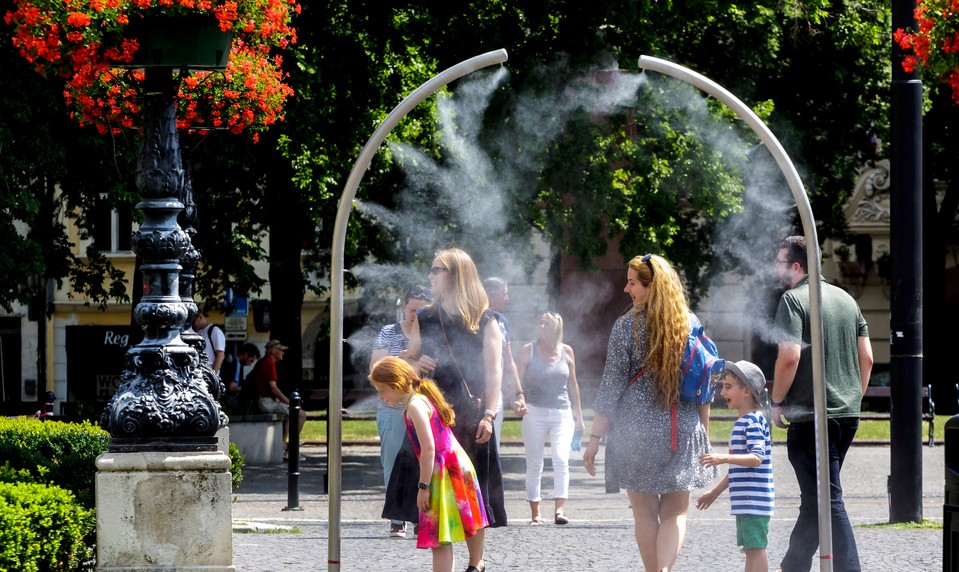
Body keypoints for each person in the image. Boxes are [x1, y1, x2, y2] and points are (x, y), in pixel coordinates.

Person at [583, 254, 718, 572]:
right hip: (681, 429)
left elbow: (611, 387)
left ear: (651, 286)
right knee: (676, 514)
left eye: (632, 282)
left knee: (644, 514)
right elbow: (704, 386)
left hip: (635, 432)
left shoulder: (625, 327)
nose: (626, 288)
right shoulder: (690, 322)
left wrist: (593, 440)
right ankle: (664, 570)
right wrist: (704, 434)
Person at [769, 235, 873, 572]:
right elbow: (868, 359)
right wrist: (852, 398)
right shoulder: (846, 299)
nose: (776, 269)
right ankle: (793, 566)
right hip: (847, 414)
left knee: (828, 499)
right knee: (817, 500)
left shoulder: (793, 299)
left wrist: (776, 401)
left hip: (812, 416)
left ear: (797, 266)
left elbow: (789, 356)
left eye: (781, 263)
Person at [406, 247, 507, 572]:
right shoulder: (425, 317)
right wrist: (415, 362)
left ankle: (476, 565)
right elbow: (407, 362)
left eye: (437, 270)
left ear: (457, 274)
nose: (430, 276)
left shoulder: (486, 319)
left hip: (472, 415)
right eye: (432, 270)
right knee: (439, 493)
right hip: (435, 417)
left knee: (472, 492)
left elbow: (495, 373)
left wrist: (490, 415)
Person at [369, 356, 488, 572]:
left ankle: (475, 564)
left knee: (439, 533)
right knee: (469, 515)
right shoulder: (421, 397)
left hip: (444, 469)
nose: (381, 396)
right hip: (456, 465)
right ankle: (477, 563)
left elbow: (428, 448)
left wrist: (423, 487)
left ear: (396, 383)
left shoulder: (415, 405)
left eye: (383, 389)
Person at [696, 360, 774, 572]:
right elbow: (739, 470)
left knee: (756, 549)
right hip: (747, 502)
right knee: (751, 549)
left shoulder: (752, 421)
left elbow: (757, 458)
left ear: (747, 391)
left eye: (728, 387)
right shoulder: (745, 421)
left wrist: (724, 458)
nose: (722, 392)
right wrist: (714, 492)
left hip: (754, 501)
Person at [372, 284, 433, 538]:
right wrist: (406, 360)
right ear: (403, 306)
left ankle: (422, 517)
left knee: (425, 462)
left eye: (421, 311)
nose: (415, 316)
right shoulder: (388, 332)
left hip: (422, 407)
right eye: (411, 310)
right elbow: (375, 368)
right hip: (392, 409)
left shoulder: (433, 334)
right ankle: (397, 518)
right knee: (393, 463)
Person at [515, 311, 585, 525]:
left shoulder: (567, 351)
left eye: (546, 324)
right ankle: (535, 512)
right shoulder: (529, 351)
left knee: (561, 459)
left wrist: (579, 416)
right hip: (534, 410)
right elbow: (515, 379)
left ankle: (559, 510)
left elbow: (572, 385)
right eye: (540, 323)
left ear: (556, 328)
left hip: (562, 412)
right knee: (535, 463)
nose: (541, 327)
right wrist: (517, 400)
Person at [483, 277, 527, 450]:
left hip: (495, 394)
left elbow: (509, 362)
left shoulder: (502, 321)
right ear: (492, 296)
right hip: (472, 391)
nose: (507, 299)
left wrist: (518, 394)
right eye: (505, 294)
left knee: (492, 446)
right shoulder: (469, 316)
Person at [252, 339, 308, 461]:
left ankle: (283, 447)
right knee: (301, 415)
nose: (283, 353)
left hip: (265, 401)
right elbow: (273, 388)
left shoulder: (266, 362)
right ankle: (292, 450)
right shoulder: (268, 363)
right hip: (266, 402)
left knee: (288, 415)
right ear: (273, 351)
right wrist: (290, 403)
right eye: (281, 350)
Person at [221, 342, 261, 413]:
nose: (250, 364)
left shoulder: (238, 365)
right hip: (229, 400)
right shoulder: (235, 364)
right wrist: (247, 389)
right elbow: (232, 388)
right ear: (246, 355)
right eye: (251, 360)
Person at [193, 310, 226, 374]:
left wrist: (212, 375)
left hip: (208, 375)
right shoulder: (196, 332)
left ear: (200, 317)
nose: (193, 325)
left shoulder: (214, 331)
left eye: (193, 322)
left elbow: (220, 355)